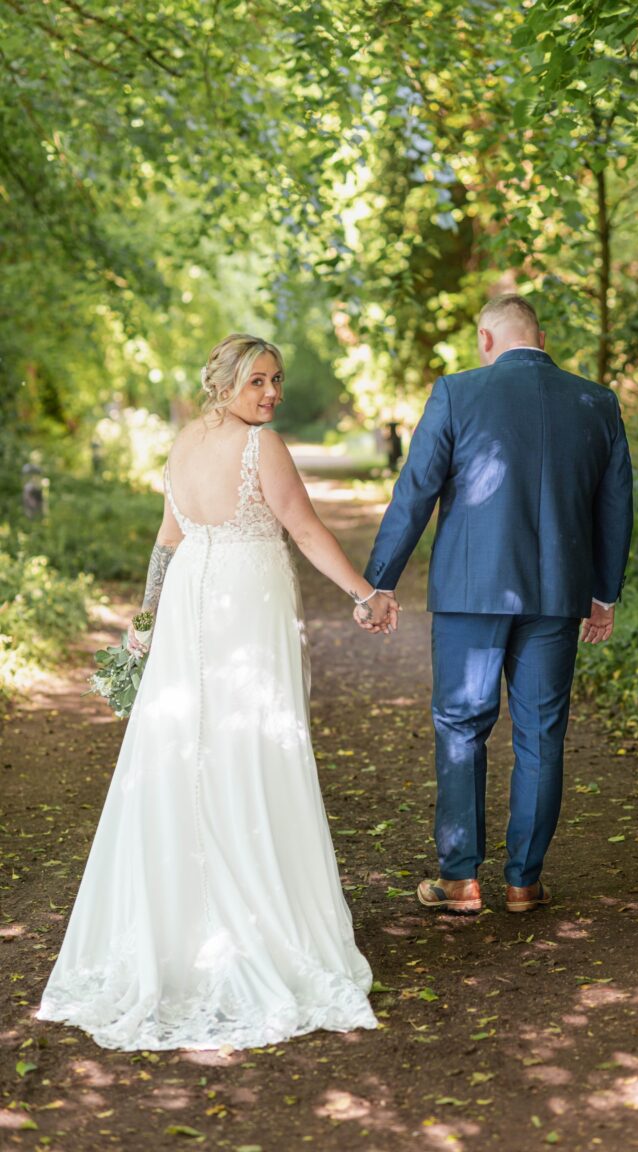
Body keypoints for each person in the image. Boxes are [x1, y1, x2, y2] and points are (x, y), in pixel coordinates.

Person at [37, 333, 398, 1050]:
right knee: (248, 746)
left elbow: (168, 541)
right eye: (258, 380)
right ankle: (251, 926)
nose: (271, 394)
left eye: (277, 381)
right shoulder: (260, 448)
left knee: (189, 750)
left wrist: (146, 617)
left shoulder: (182, 441)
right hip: (239, 609)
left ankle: (189, 922)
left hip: (195, 605)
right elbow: (300, 526)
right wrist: (365, 593)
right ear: (224, 381)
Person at [364, 295, 633, 915]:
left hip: (471, 592)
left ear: (486, 340)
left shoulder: (457, 392)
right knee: (541, 733)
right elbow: (615, 504)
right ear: (541, 337)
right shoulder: (596, 401)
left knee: (462, 726)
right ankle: (523, 882)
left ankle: (460, 880)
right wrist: (603, 593)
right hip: (559, 595)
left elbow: (416, 490)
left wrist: (381, 580)